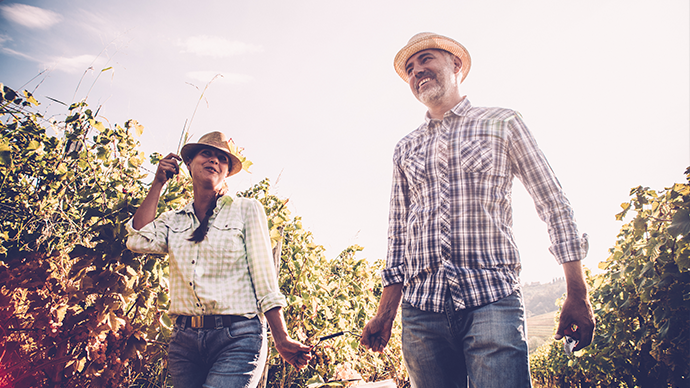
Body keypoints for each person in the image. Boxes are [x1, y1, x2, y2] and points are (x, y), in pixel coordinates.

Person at [360, 32, 595, 387]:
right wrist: (385, 312)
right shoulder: (404, 148)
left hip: (492, 299)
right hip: (422, 311)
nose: (417, 71)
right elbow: (398, 235)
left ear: (456, 65)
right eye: (410, 68)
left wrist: (577, 291)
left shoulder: (503, 123)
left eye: (426, 60)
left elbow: (552, 202)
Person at [127, 131, 311, 388]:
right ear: (189, 164)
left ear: (226, 172)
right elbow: (137, 239)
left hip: (237, 338)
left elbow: (264, 278)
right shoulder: (174, 219)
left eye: (221, 158)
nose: (214, 160)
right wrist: (158, 182)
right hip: (184, 343)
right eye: (206, 153)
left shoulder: (246, 210)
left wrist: (281, 338)